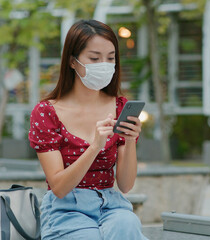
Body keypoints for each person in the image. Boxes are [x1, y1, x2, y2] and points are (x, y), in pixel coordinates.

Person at [28, 19, 148, 240]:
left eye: (110, 58)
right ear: (72, 61)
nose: (104, 64)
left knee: (127, 225)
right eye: (94, 58)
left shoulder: (120, 106)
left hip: (112, 205)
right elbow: (59, 187)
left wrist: (130, 140)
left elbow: (125, 184)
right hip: (66, 209)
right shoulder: (46, 112)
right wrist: (95, 147)